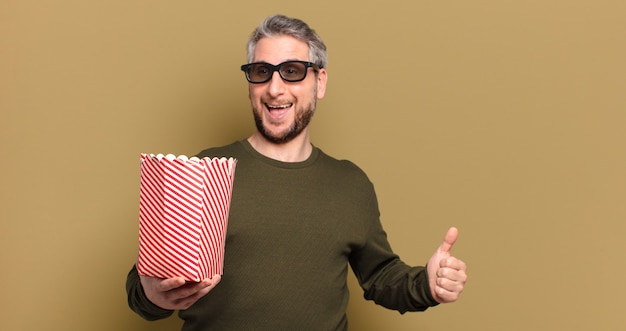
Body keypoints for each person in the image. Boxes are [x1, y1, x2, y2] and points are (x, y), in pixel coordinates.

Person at [126, 14, 468, 330]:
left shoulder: (351, 184)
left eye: (292, 71)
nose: (275, 89)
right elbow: (146, 284)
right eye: (261, 71)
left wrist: (427, 284)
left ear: (319, 82)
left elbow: (381, 276)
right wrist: (152, 294)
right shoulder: (204, 172)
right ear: (250, 84)